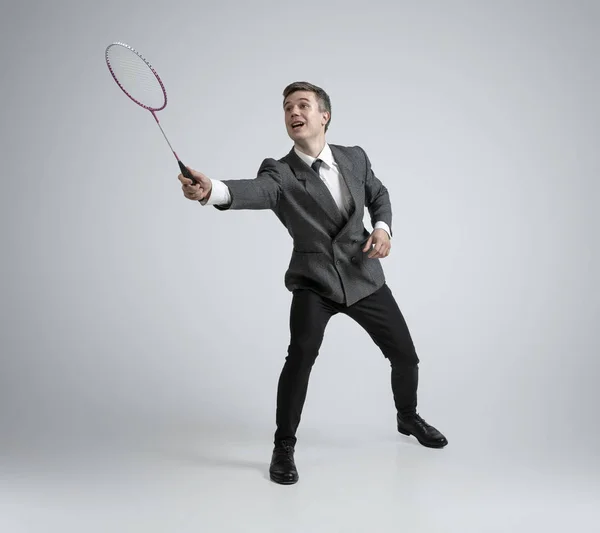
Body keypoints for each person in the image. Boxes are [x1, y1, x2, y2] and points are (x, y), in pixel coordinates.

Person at [178, 81, 448, 485]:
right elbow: (256, 191)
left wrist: (383, 228)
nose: (293, 113)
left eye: (302, 105)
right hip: (314, 281)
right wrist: (211, 190)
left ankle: (407, 418)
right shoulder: (280, 171)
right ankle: (283, 446)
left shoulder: (354, 158)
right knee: (300, 359)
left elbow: (379, 193)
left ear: (325, 115)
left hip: (363, 275)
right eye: (287, 108)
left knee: (406, 356)